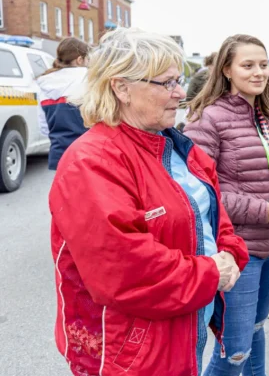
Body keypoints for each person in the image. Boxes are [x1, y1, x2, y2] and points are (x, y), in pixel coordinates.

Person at [49, 28, 249, 376]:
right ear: (121, 87)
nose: (180, 92)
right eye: (167, 83)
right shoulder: (92, 162)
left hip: (181, 333)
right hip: (127, 350)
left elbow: (217, 220)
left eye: (179, 80)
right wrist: (211, 272)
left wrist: (231, 253)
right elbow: (125, 271)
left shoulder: (180, 150)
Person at [184, 34, 269, 376]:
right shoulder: (207, 118)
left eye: (263, 65)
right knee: (233, 351)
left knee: (255, 330)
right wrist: (263, 211)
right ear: (227, 69)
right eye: (247, 65)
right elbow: (201, 190)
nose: (258, 72)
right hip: (237, 250)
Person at [37, 37, 90, 170]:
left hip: (59, 154)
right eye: (87, 59)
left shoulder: (43, 83)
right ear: (79, 60)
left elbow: (43, 128)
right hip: (87, 152)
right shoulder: (87, 77)